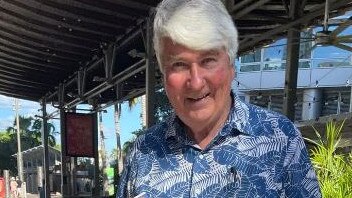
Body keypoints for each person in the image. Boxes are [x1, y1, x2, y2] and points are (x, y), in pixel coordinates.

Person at [118, 0, 321, 197]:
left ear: (232, 66)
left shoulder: (280, 137)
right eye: (179, 64)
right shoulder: (143, 150)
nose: (196, 83)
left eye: (208, 60)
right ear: (163, 75)